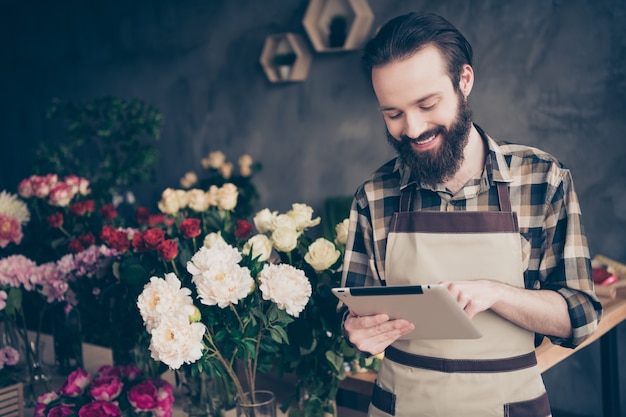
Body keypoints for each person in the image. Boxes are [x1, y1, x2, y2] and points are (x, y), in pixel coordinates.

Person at [340, 12, 603, 417]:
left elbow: (579, 316)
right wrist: (354, 330)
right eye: (392, 114)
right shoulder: (374, 196)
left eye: (427, 104)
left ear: (464, 80)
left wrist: (496, 293)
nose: (412, 128)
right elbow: (352, 307)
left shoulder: (542, 179)